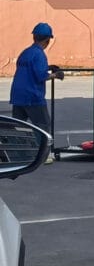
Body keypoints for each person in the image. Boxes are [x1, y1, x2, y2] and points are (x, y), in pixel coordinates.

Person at [10, 22, 58, 163]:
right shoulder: (39, 54)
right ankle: (43, 157)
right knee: (43, 125)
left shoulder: (25, 53)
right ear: (48, 40)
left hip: (18, 96)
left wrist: (48, 67)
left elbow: (30, 69)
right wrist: (56, 75)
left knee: (17, 127)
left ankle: (15, 155)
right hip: (33, 97)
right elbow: (41, 76)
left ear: (34, 37)